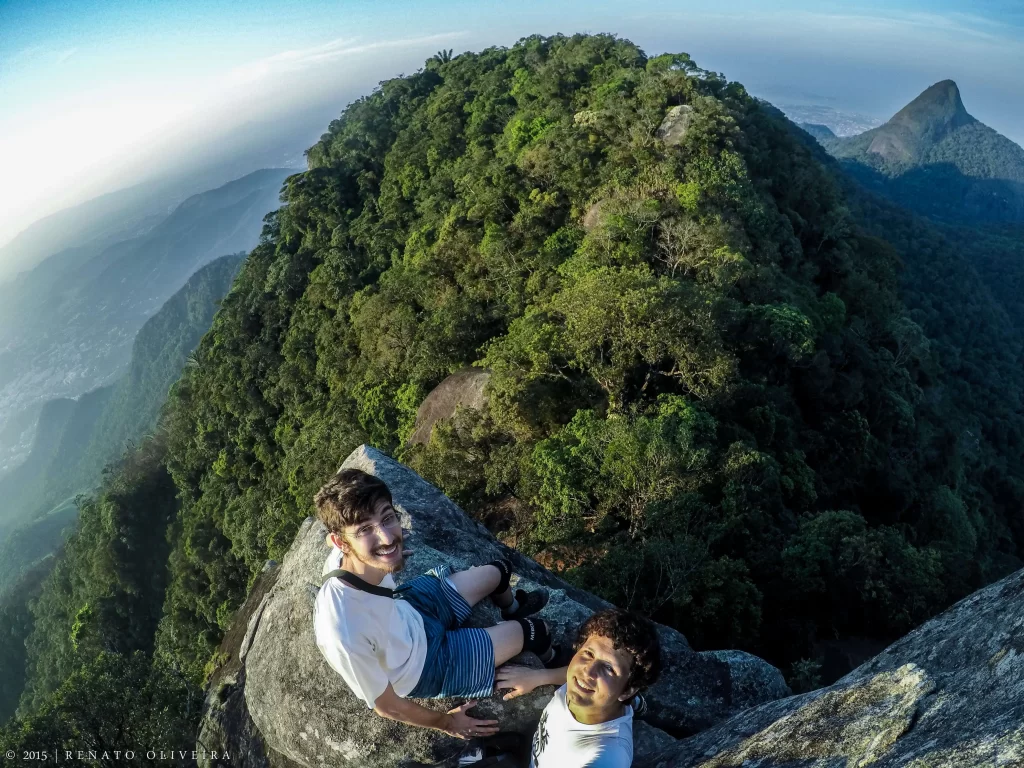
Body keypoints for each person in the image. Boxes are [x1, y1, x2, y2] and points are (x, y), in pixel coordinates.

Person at [312, 468, 556, 740]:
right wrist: (448, 723)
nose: (386, 537)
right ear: (339, 542)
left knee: (499, 570)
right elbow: (387, 706)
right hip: (424, 665)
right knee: (535, 631)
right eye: (365, 530)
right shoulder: (343, 628)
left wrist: (389, 556)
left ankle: (511, 608)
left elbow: (382, 543)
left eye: (388, 518)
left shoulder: (347, 557)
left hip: (412, 610)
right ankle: (555, 663)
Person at [495, 609, 662, 768]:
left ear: (628, 690)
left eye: (609, 668)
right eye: (588, 653)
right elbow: (572, 672)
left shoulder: (610, 753)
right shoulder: (583, 683)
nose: (587, 671)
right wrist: (538, 676)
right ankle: (635, 703)